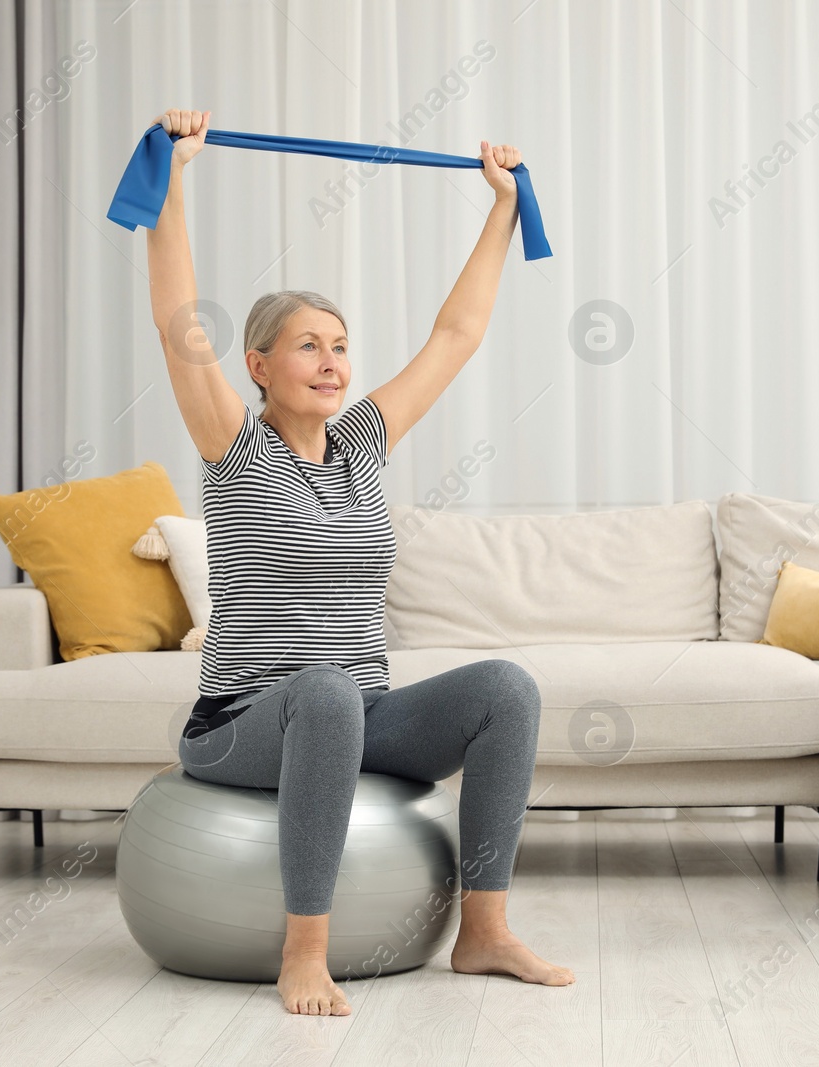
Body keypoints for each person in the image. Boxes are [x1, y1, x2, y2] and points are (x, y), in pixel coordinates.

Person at [146, 108, 574, 1017]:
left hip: (356, 712)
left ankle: (486, 930)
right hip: (241, 721)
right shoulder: (236, 448)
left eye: (341, 347)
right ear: (258, 365)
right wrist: (175, 175)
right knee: (327, 689)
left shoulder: (363, 445)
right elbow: (181, 325)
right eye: (309, 345)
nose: (332, 362)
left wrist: (500, 207)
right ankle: (308, 950)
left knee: (507, 687)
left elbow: (454, 337)